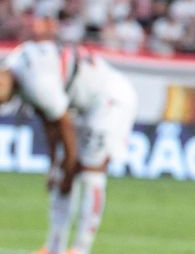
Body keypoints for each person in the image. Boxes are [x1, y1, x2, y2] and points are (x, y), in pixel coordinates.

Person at [0, 16, 137, 254]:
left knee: (91, 172)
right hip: (83, 105)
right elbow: (49, 121)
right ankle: (54, 247)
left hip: (109, 100)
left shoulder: (35, 80)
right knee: (63, 174)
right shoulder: (16, 66)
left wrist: (69, 165)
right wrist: (56, 165)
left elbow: (63, 123)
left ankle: (81, 248)